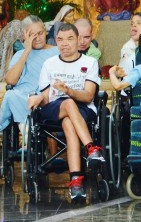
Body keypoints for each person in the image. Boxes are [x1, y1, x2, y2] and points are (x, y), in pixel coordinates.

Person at [27, 23, 105, 202]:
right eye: (60, 40)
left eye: (69, 39)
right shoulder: (49, 64)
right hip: (55, 107)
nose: (64, 44)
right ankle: (91, 148)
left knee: (69, 121)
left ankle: (76, 182)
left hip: (83, 107)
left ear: (78, 40)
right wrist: (38, 98)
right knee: (68, 104)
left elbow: (88, 96)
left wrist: (68, 90)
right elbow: (46, 96)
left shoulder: (90, 63)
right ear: (55, 41)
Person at [0, 16, 58, 134]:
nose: (37, 38)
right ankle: (29, 138)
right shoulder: (21, 54)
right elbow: (10, 80)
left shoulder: (57, 52)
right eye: (32, 35)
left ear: (45, 32)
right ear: (24, 36)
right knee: (11, 94)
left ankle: (30, 140)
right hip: (24, 97)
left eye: (40, 33)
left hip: (49, 97)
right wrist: (26, 50)